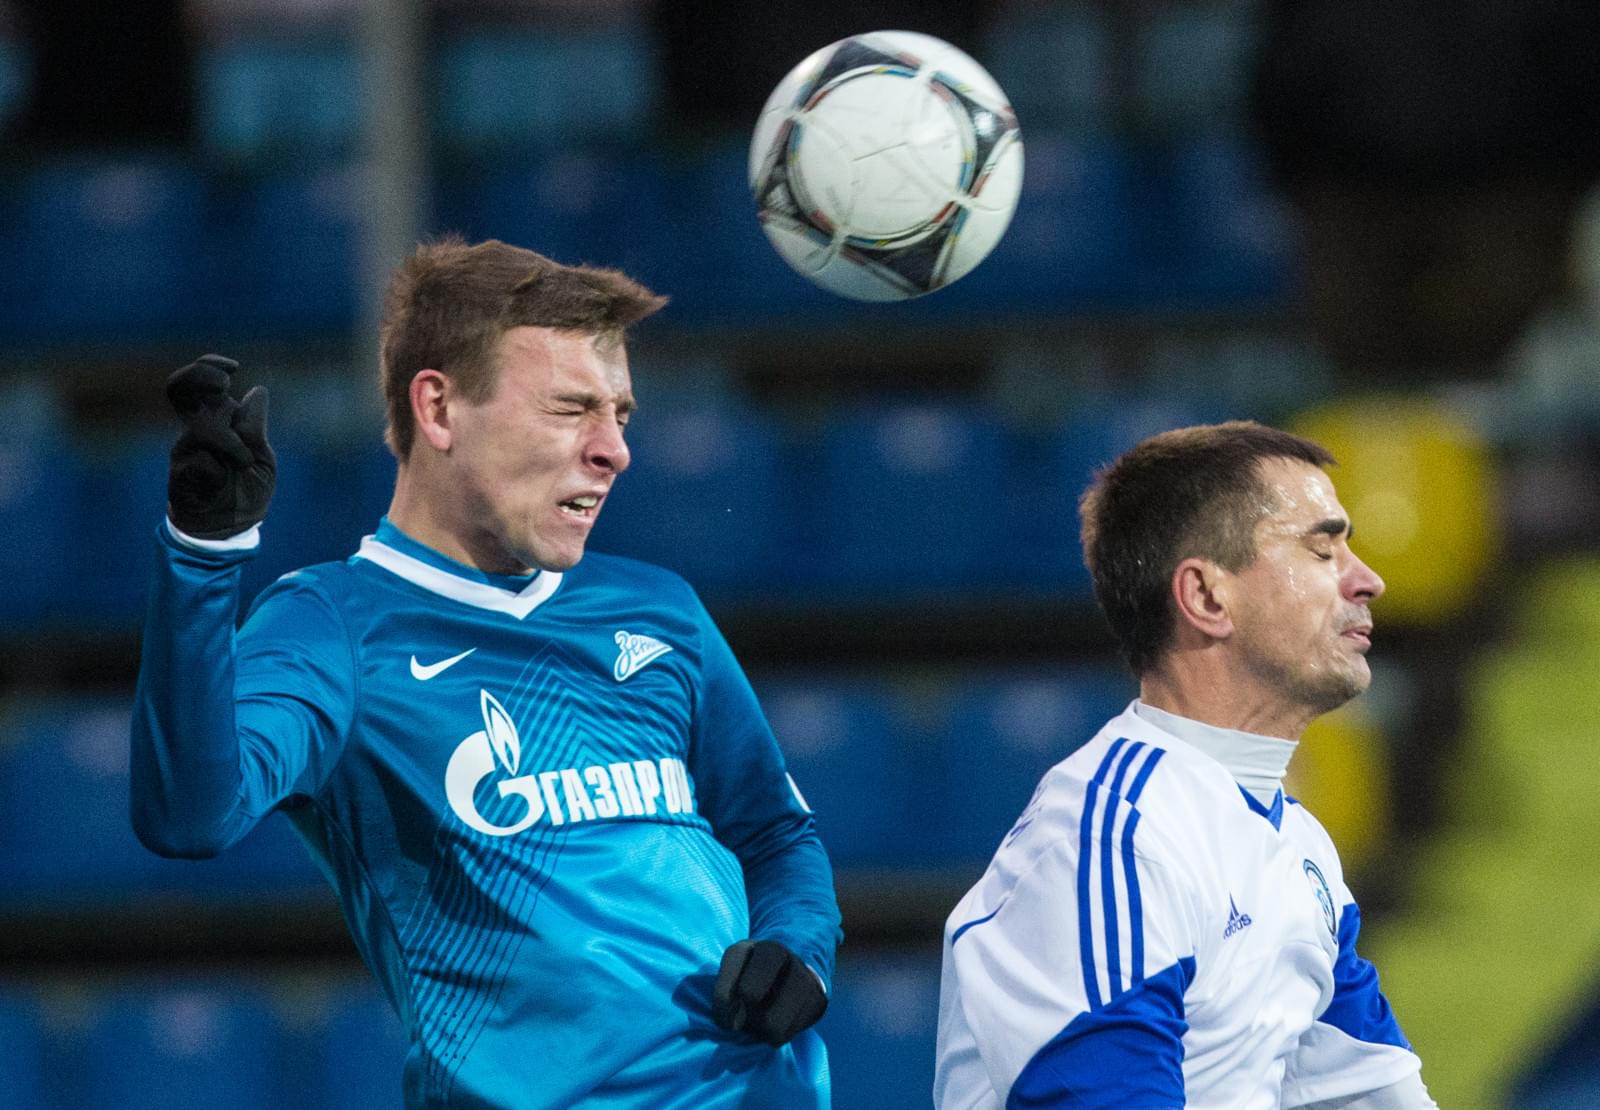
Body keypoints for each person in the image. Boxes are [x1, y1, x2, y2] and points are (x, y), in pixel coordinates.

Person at [131, 237, 842, 1109]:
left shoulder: (660, 609)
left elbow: (775, 835)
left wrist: (798, 944)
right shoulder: (331, 627)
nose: (614, 450)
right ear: (439, 408)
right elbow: (189, 814)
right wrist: (203, 558)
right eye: (570, 408)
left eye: (621, 413)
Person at [934, 421, 1436, 1108]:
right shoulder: (1111, 838)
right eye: (1322, 550)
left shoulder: (1299, 846)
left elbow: (1374, 1093)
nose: (1367, 580)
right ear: (1205, 597)